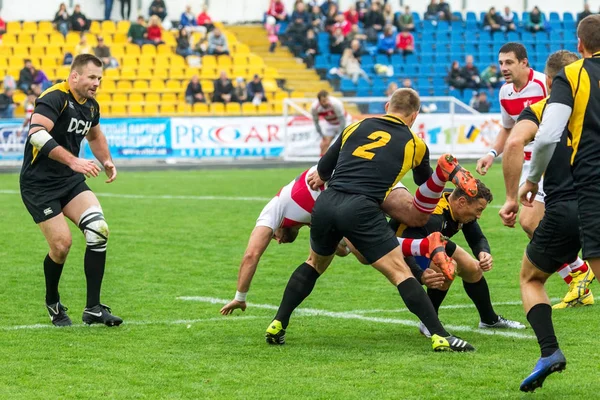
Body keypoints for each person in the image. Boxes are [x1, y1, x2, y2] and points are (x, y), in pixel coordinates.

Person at [265, 88, 478, 352]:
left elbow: (322, 170)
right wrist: (431, 181)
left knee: (313, 264)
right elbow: (422, 188)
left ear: (388, 105)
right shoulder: (416, 143)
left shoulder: (355, 127)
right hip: (361, 207)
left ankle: (277, 323)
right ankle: (440, 334)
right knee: (399, 272)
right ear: (414, 115)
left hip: (327, 203)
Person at [219, 162, 459, 316]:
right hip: (370, 177)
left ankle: (423, 246)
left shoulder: (274, 210)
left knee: (368, 253)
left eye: (274, 237)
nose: (277, 240)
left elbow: (251, 255)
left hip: (352, 187)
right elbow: (339, 243)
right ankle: (441, 174)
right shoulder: (310, 215)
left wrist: (240, 297)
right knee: (415, 215)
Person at [518, 21, 600, 384]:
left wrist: (531, 179)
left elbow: (548, 135)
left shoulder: (571, 75)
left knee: (531, 277)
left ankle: (549, 351)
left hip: (581, 196)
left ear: (580, 43)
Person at [499, 50, 584, 392]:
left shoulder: (543, 107)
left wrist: (512, 194)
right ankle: (577, 274)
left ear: (550, 82)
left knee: (531, 277)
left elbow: (516, 141)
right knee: (531, 224)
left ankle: (549, 351)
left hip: (567, 207)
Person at [19, 54, 122, 327]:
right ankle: (52, 302)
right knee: (62, 246)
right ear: (74, 76)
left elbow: (95, 135)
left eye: (99, 78)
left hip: (68, 180)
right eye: (91, 77)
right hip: (39, 184)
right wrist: (75, 160)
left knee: (99, 229)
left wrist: (107, 160)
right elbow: (37, 133)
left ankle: (94, 309)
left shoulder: (90, 106)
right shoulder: (54, 97)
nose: (96, 83)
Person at [389, 181, 525, 336]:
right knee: (447, 268)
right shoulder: (433, 216)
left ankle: (489, 319)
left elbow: (476, 237)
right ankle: (429, 322)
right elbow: (405, 247)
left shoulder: (457, 205)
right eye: (478, 210)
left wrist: (483, 252)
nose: (479, 216)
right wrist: (420, 275)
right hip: (399, 246)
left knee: (473, 268)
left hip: (434, 241)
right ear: (462, 202)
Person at [476, 43, 547, 237]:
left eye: (509, 62)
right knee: (532, 228)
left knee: (529, 222)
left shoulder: (543, 83)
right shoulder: (504, 92)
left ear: (524, 63)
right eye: (501, 63)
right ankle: (574, 266)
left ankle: (575, 265)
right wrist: (491, 154)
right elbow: (508, 129)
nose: (503, 68)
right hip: (525, 163)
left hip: (549, 161)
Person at [310, 90, 347, 156]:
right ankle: (322, 165)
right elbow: (316, 122)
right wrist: (322, 136)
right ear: (319, 101)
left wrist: (341, 134)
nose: (326, 102)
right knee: (324, 144)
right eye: (323, 101)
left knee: (346, 143)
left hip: (344, 122)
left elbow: (342, 120)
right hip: (330, 124)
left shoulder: (335, 103)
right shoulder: (314, 108)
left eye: (327, 100)